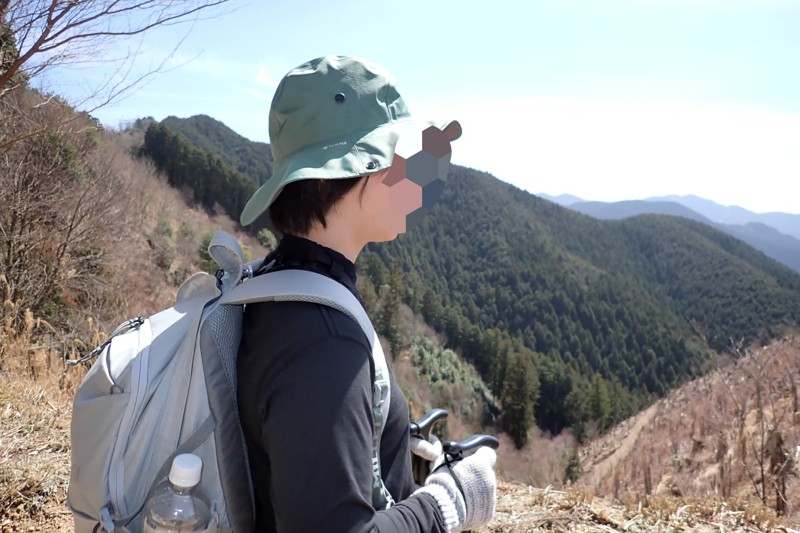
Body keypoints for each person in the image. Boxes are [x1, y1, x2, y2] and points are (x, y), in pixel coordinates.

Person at [236, 55, 497, 533]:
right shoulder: (323, 343)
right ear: (332, 175)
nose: (415, 178)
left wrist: (387, 446)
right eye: (398, 161)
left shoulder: (271, 286)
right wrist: (452, 498)